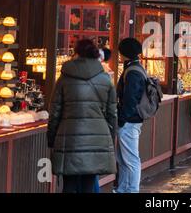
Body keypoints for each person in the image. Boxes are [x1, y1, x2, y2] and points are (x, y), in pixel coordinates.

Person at [47, 39, 117, 193]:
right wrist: (110, 140)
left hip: (69, 137)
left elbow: (55, 112)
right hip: (97, 138)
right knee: (89, 183)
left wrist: (52, 139)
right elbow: (112, 114)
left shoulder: (64, 79)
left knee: (69, 184)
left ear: (76, 53)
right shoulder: (105, 79)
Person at [115, 38, 146, 193]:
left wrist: (121, 120)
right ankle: (123, 188)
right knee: (123, 159)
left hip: (129, 121)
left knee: (131, 159)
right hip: (132, 120)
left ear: (124, 53)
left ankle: (132, 190)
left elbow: (130, 99)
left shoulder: (132, 72)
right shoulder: (136, 68)